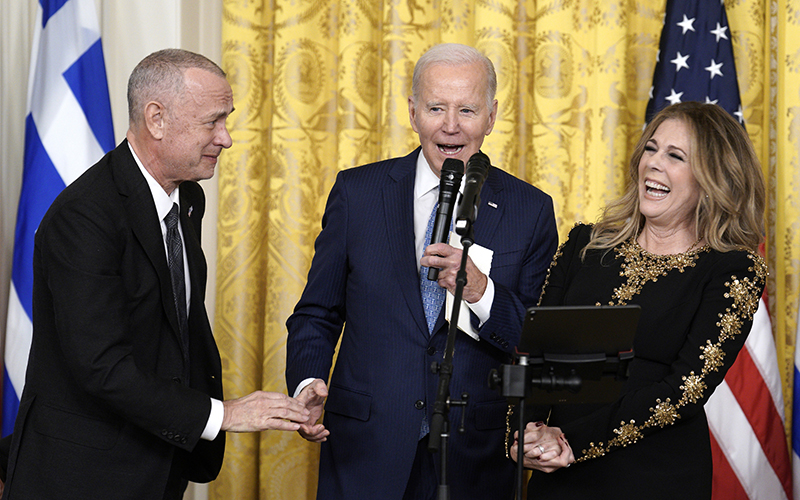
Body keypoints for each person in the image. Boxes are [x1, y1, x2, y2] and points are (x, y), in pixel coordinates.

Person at [0, 49, 311, 500]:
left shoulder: (187, 201)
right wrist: (220, 415)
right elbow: (102, 366)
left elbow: (178, 333)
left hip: (158, 460)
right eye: (213, 122)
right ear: (156, 119)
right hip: (82, 475)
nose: (226, 138)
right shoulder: (85, 217)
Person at [285, 43, 558, 499]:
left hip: (476, 456)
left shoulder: (530, 210)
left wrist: (480, 291)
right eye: (436, 108)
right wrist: (307, 382)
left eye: (467, 109)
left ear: (492, 116)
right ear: (413, 112)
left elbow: (537, 341)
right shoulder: (358, 193)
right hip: (364, 449)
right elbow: (317, 312)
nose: (450, 126)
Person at [509, 101, 767, 499]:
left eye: (675, 156)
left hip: (655, 476)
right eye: (651, 148)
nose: (653, 163)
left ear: (712, 178)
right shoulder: (584, 244)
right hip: (557, 474)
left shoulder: (733, 269)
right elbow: (532, 353)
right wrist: (522, 433)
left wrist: (571, 442)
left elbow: (687, 388)